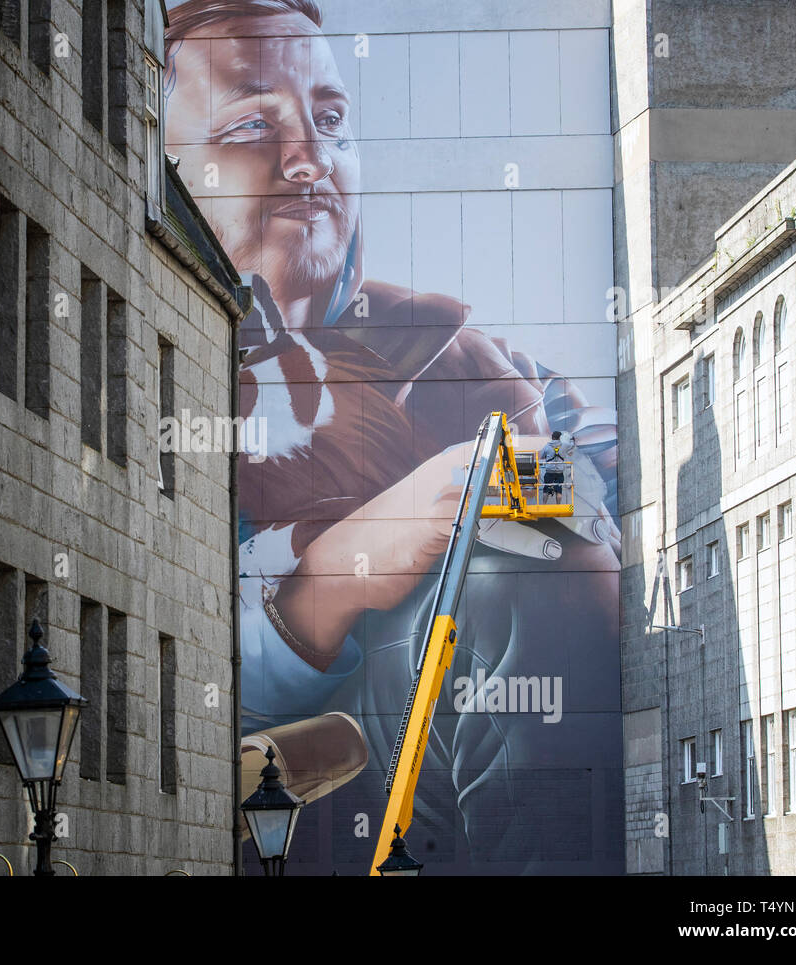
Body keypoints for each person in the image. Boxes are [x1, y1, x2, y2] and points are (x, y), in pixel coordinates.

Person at [165, 0, 621, 870]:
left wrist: (532, 489)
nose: (310, 160)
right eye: (253, 123)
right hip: (292, 784)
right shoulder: (149, 374)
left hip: (425, 760)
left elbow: (604, 485)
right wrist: (337, 571)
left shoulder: (473, 357)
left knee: (529, 574)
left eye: (330, 121)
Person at [539, 431, 573, 503]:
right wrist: (572, 440)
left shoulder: (547, 446)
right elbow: (571, 445)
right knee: (559, 490)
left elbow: (541, 456)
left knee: (546, 489)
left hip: (549, 471)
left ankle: (544, 505)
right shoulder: (565, 445)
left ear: (552, 437)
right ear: (559, 437)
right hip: (559, 472)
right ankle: (558, 506)